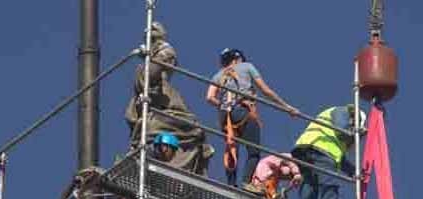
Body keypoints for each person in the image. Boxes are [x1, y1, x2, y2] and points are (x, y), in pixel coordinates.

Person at [124, 21, 213, 173]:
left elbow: (151, 72)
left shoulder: (166, 52)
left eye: (153, 29)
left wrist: (148, 59)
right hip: (152, 103)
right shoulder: (148, 63)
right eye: (147, 29)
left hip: (162, 105)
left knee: (153, 125)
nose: (148, 31)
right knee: (145, 125)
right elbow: (145, 80)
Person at [206, 48, 299, 186]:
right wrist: (287, 107)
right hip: (243, 110)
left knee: (232, 148)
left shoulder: (219, 75)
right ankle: (246, 183)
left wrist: (224, 105)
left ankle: (231, 184)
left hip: (225, 115)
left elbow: (209, 97)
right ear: (238, 59)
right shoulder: (247, 66)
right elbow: (265, 90)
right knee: (254, 151)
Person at [291, 105, 364, 199]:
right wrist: (357, 133)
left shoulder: (334, 132)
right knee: (329, 181)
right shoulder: (342, 112)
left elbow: (341, 159)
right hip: (320, 148)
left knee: (309, 185)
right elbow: (342, 131)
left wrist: (353, 171)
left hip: (307, 149)